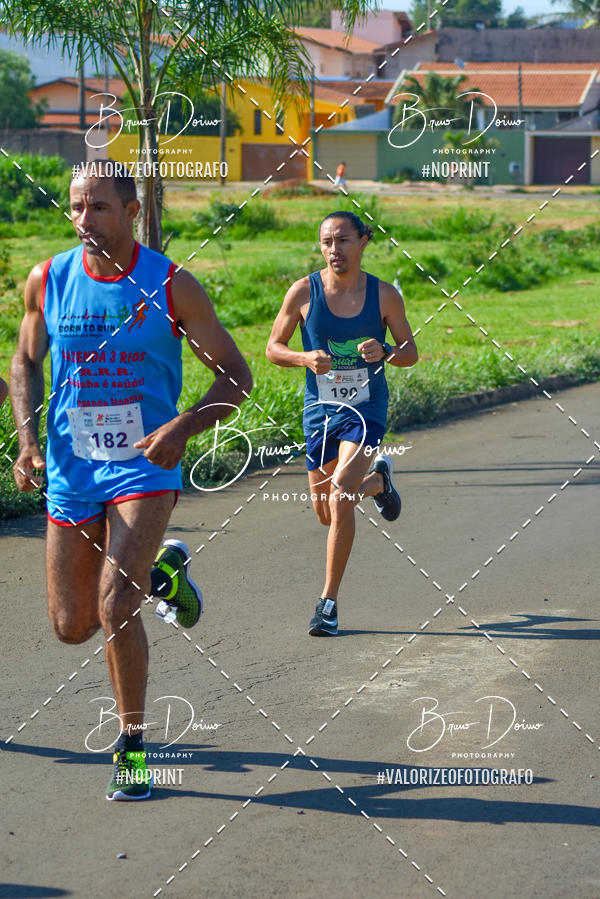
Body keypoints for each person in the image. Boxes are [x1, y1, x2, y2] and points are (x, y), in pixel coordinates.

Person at [10, 163, 252, 800]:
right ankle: (162, 574)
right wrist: (28, 440)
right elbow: (25, 361)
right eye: (76, 208)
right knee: (72, 625)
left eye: (99, 208)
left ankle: (132, 747)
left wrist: (183, 428)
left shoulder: (171, 286)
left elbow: (236, 376)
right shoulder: (49, 279)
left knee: (116, 605)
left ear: (132, 210)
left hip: (145, 464)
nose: (85, 221)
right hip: (71, 466)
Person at [266, 211, 417, 636]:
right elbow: (273, 348)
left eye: (344, 241)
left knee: (338, 493)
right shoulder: (303, 292)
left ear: (363, 241)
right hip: (320, 412)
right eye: (327, 242)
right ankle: (381, 484)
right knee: (326, 512)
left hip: (366, 410)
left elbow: (410, 352)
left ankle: (327, 605)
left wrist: (386, 351)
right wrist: (303, 358)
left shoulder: (384, 296)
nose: (335, 250)